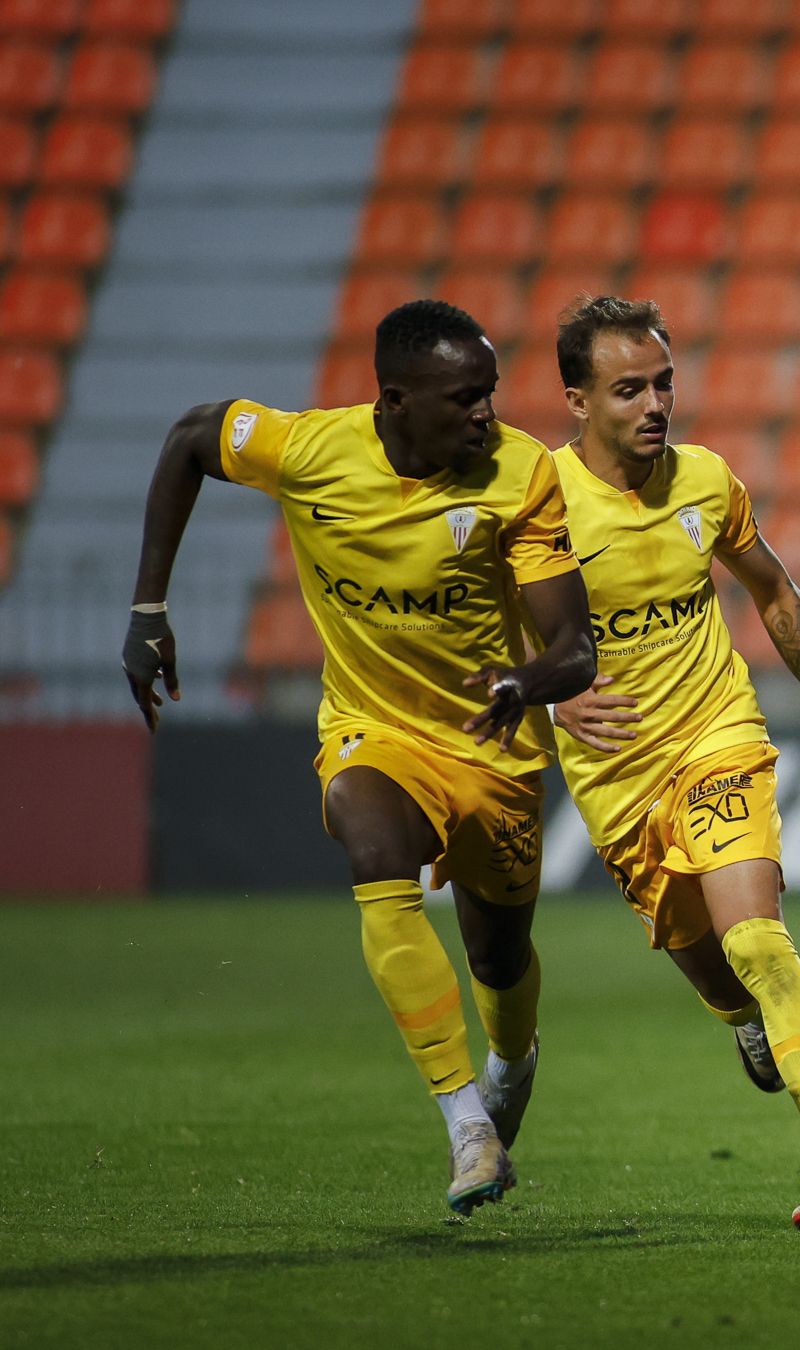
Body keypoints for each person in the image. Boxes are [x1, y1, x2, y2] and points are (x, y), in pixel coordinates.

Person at [121, 300, 596, 1217]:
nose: (487, 416)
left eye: (490, 394)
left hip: (491, 748)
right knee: (376, 852)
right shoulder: (308, 450)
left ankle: (512, 1062)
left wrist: (529, 679)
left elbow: (576, 646)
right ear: (395, 401)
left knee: (499, 961)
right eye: (465, 399)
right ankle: (466, 1123)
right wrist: (148, 610)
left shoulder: (521, 476)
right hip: (371, 729)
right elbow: (189, 437)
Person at [543, 296, 800, 1234]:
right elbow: (464, 628)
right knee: (711, 968)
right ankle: (739, 1016)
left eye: (664, 381)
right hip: (616, 775)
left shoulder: (705, 482)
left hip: (719, 738)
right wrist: (545, 698)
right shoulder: (532, 503)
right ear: (576, 401)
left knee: (756, 941)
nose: (655, 403)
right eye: (628, 388)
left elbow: (774, 591)